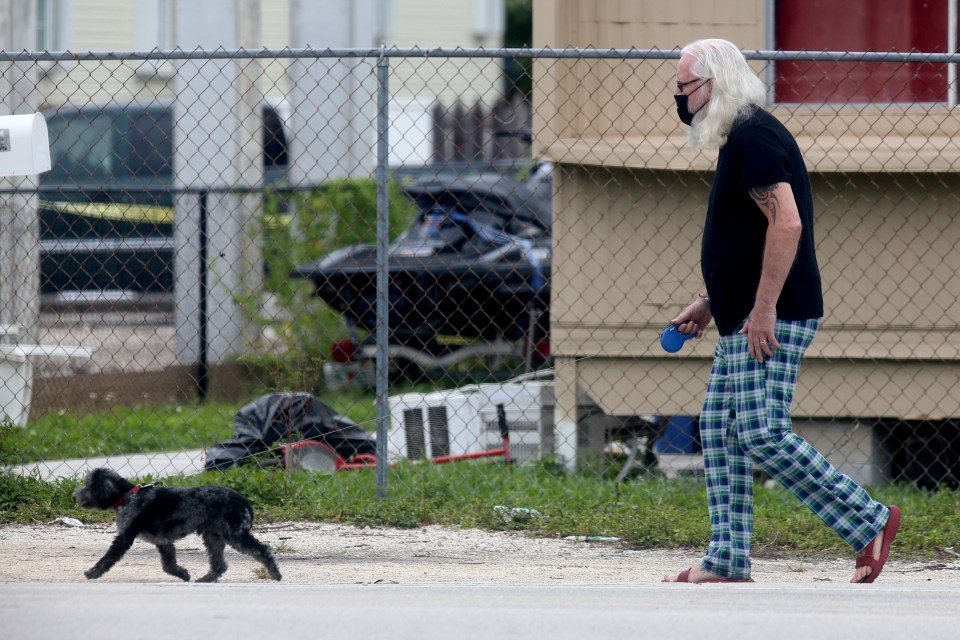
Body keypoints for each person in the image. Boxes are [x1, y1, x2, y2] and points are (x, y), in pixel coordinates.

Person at [661, 38, 900, 584]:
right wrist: (709, 301)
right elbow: (746, 236)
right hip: (743, 313)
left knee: (761, 432)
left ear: (714, 84)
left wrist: (763, 308)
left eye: (685, 85)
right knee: (722, 430)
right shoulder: (740, 138)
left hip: (772, 316)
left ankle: (870, 521)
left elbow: (785, 223)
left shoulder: (757, 138)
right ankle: (727, 558)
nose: (679, 96)